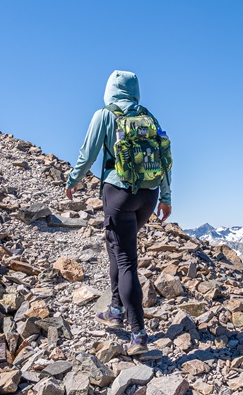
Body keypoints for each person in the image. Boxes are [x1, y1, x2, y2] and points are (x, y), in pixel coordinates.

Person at [66, 70, 172, 355]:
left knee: (125, 260)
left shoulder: (105, 115)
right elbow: (162, 156)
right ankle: (115, 309)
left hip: (119, 194)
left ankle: (138, 334)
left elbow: (87, 155)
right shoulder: (148, 117)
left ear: (110, 89)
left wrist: (72, 181)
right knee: (117, 248)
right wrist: (166, 197)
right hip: (148, 196)